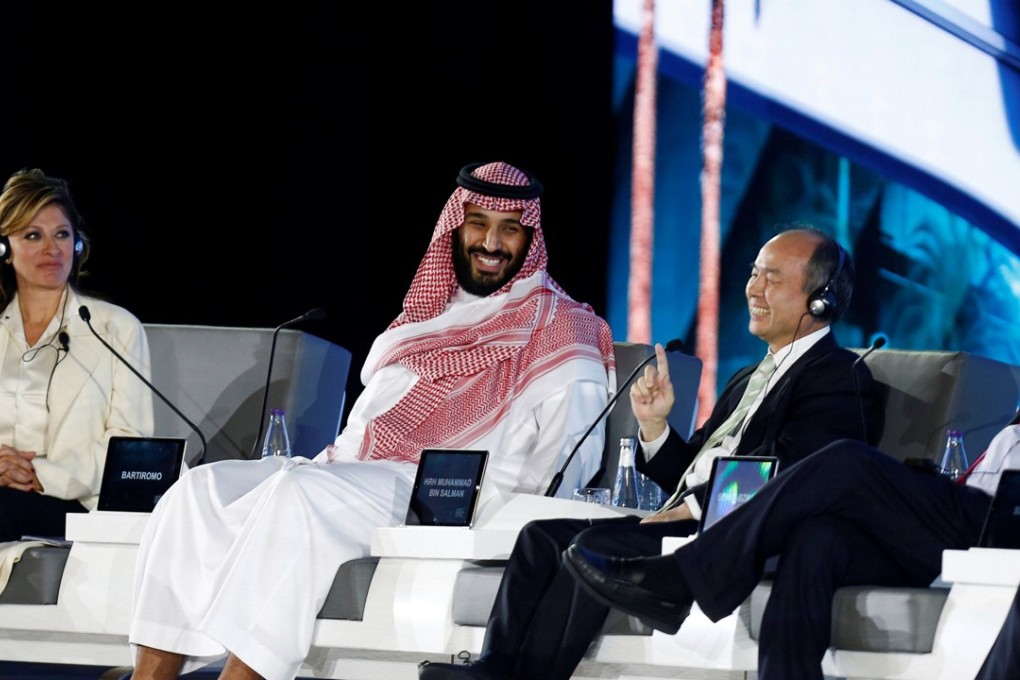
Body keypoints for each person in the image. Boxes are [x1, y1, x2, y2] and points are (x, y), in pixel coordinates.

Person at [127, 161, 617, 680]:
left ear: (530, 237)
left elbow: (569, 458)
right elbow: (364, 432)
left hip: (459, 496)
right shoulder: (427, 318)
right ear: (456, 226)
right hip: (363, 473)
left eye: (509, 228)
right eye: (478, 223)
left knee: (300, 495)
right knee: (199, 489)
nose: (491, 242)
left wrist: (510, 520)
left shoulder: (564, 326)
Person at [418, 226, 884, 680]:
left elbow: (798, 475)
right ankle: (493, 668)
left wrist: (694, 506)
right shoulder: (747, 377)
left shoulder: (837, 376)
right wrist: (656, 426)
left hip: (739, 535)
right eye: (753, 273)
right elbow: (692, 469)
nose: (754, 289)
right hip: (686, 520)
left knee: (592, 548)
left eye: (773, 277)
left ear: (820, 298)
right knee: (541, 536)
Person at [565, 422, 1020, 680]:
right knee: (818, 537)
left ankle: (683, 579)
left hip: (996, 530)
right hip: (965, 519)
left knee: (846, 461)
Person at [0, 168, 153, 542]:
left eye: (62, 235)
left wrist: (42, 473)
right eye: (33, 236)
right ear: (3, 249)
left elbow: (129, 449)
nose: (52, 249)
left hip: (76, 505)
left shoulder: (116, 328)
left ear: (77, 246)